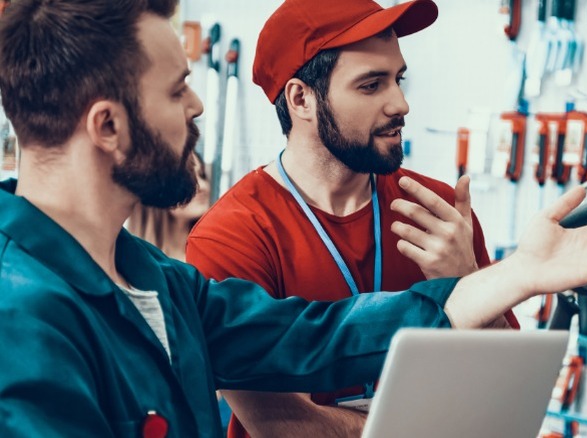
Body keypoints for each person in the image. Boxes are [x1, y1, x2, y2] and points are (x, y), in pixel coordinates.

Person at [0, 0, 587, 436]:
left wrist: (517, 274)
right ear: (108, 126)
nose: (198, 107)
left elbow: (323, 334)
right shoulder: (22, 317)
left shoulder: (160, 284)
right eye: (176, 90)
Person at [185, 1, 518, 436]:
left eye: (398, 79)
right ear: (301, 99)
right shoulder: (234, 235)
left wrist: (467, 278)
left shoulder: (436, 211)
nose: (401, 104)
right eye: (371, 85)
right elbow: (279, 422)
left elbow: (509, 385)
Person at [128, 151, 211, 262]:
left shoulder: (212, 258)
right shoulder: (130, 263)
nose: (203, 187)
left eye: (202, 175)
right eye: (188, 179)